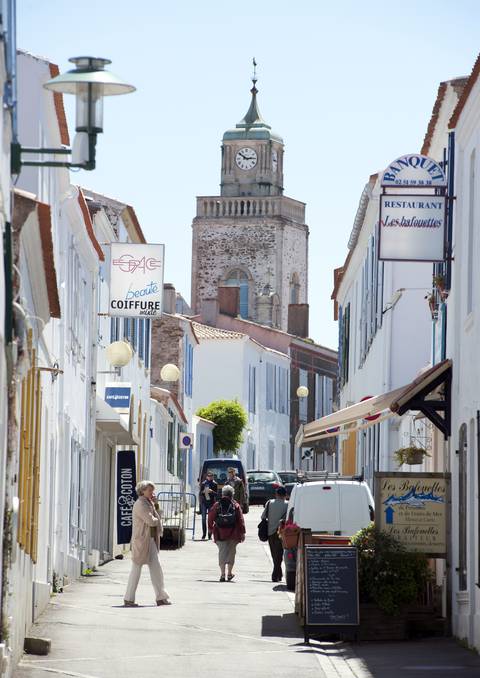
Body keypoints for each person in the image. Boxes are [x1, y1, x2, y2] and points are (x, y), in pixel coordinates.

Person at [124, 480, 171, 607]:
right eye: (150, 490)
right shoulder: (141, 504)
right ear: (142, 491)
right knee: (136, 569)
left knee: (156, 569)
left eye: (152, 490)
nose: (152, 492)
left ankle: (161, 597)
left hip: (150, 540)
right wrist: (157, 518)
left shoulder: (149, 503)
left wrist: (156, 505)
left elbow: (157, 516)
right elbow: (151, 520)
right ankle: (128, 598)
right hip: (142, 541)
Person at [208, 484, 245, 582]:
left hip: (220, 533)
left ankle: (222, 574)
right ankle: (229, 574)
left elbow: (210, 517)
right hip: (233, 533)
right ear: (232, 494)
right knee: (231, 553)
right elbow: (241, 519)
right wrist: (242, 532)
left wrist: (210, 529)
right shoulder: (235, 505)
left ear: (223, 493)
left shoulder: (217, 504)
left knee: (222, 552)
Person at [261, 486, 288, 582]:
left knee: (274, 554)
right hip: (282, 532)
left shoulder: (269, 503)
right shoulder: (288, 505)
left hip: (270, 532)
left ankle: (275, 573)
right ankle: (277, 573)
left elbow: (263, 516)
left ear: (276, 494)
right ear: (285, 495)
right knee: (280, 554)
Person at [200, 471, 218, 540]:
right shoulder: (204, 483)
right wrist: (203, 492)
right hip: (204, 503)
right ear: (206, 477)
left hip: (211, 503)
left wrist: (212, 491)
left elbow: (216, 494)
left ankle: (209, 534)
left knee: (210, 520)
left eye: (211, 476)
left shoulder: (215, 484)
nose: (210, 477)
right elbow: (201, 493)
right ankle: (204, 534)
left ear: (213, 477)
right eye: (209, 476)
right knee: (203, 519)